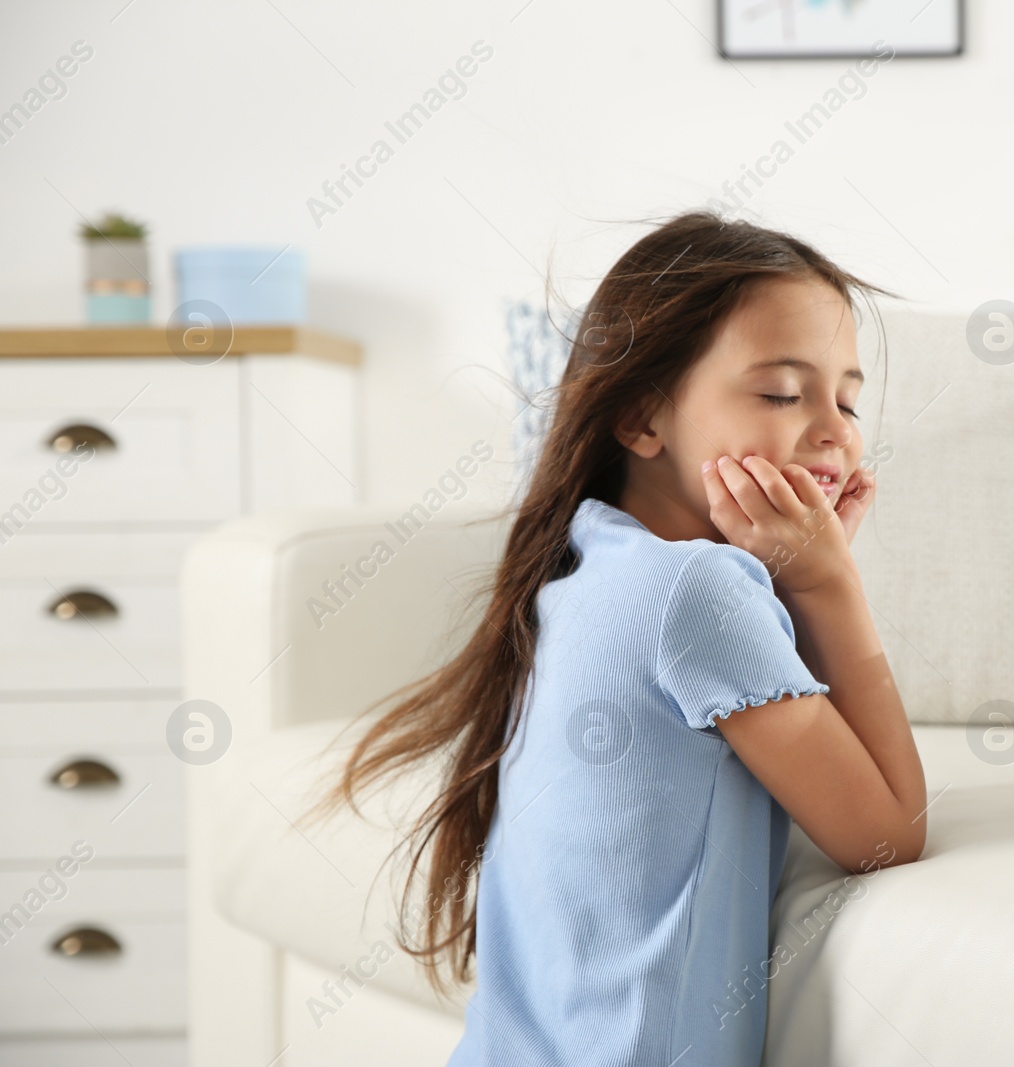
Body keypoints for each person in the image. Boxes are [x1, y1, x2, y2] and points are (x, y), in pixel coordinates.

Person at [315, 209, 927, 1066]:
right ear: (643, 418)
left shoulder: (590, 566)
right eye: (784, 393)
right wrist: (829, 584)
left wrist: (791, 581)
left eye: (849, 398)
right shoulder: (698, 592)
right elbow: (890, 831)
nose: (834, 429)